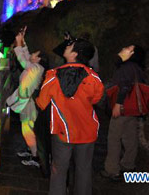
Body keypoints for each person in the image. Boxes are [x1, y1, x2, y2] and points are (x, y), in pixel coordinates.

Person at [36, 39, 104, 195]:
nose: (65, 48)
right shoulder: (93, 78)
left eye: (69, 46)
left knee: (58, 171)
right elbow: (96, 99)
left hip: (62, 131)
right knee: (84, 171)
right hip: (87, 132)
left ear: (74, 54)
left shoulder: (52, 76)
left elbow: (41, 103)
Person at [101, 45, 146, 180]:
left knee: (114, 138)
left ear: (132, 53)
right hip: (132, 110)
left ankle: (112, 170)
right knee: (130, 136)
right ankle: (128, 164)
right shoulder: (137, 68)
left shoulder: (126, 68)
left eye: (128, 48)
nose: (123, 48)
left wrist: (118, 104)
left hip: (122, 108)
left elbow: (125, 86)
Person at [11, 26, 45, 168]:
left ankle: (35, 156)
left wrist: (18, 44)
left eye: (35, 55)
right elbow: (26, 56)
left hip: (28, 104)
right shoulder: (35, 66)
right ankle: (31, 149)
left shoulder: (36, 69)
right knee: (28, 128)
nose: (32, 55)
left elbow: (23, 60)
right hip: (26, 102)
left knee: (27, 129)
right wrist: (23, 42)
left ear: (39, 60)